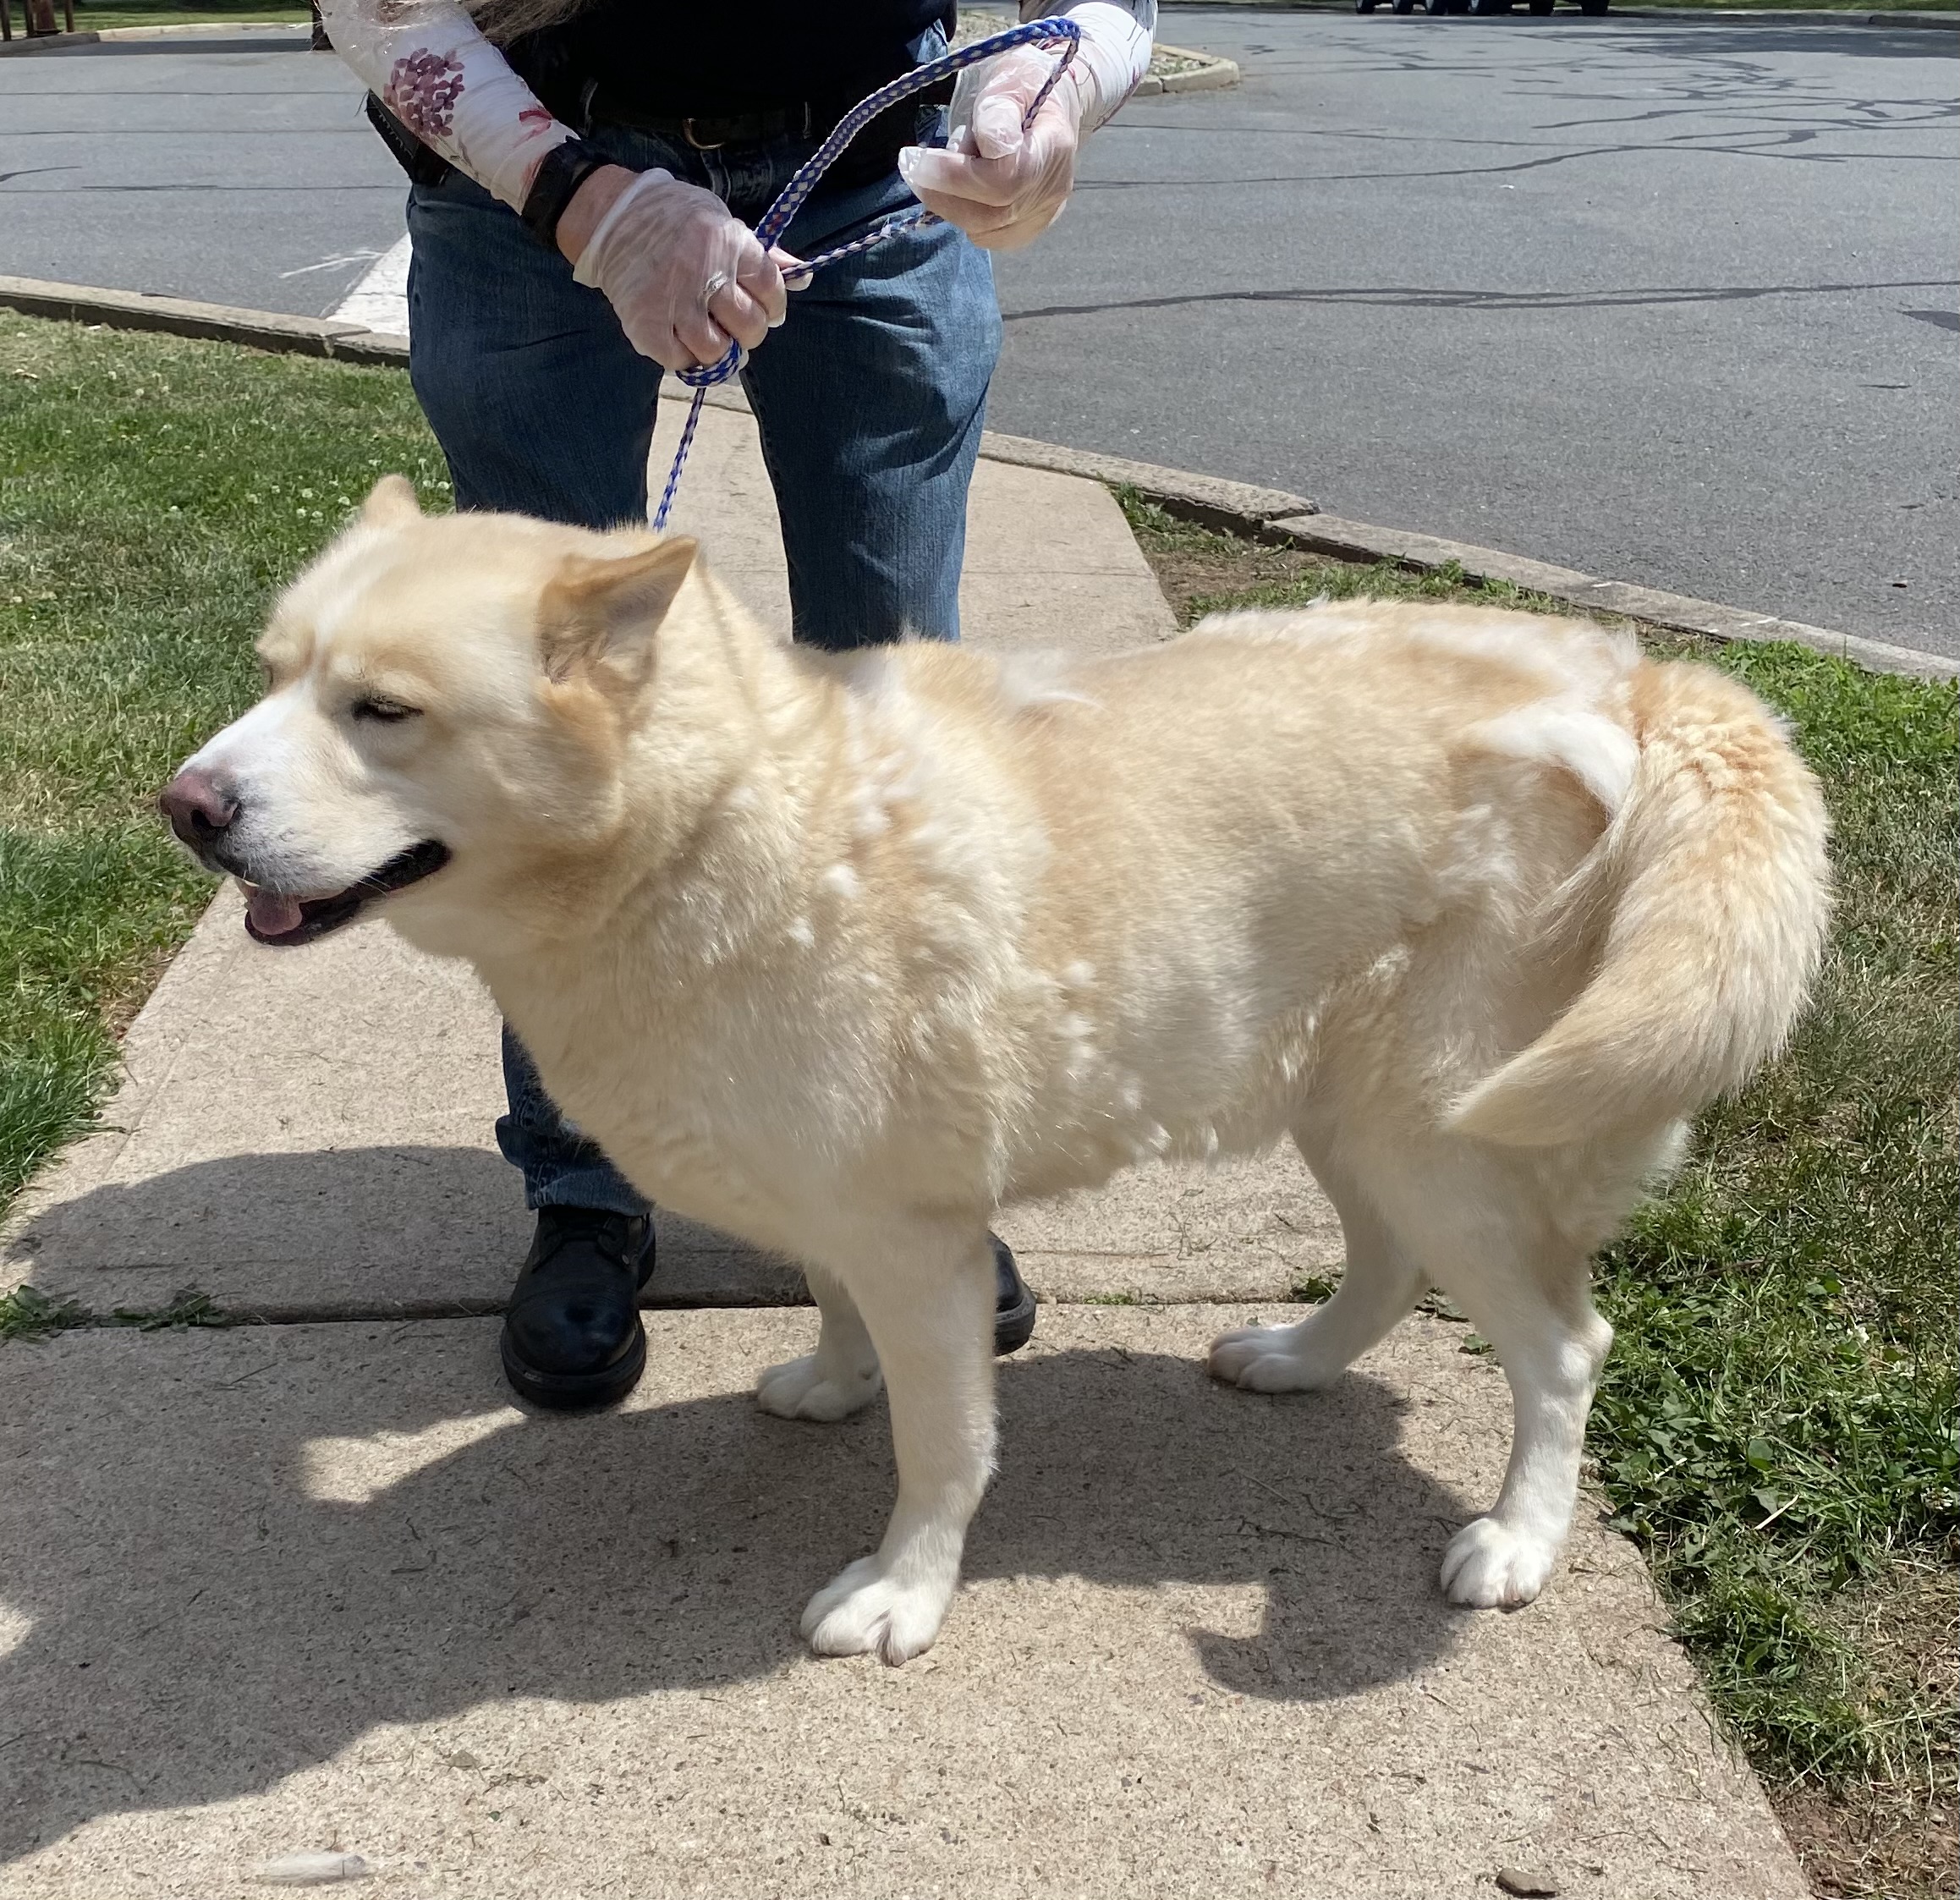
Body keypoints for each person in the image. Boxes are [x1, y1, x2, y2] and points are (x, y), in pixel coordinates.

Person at [316, 0, 1157, 1409]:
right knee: (546, 714)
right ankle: (590, 1184)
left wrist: (1051, 85)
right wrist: (581, 198)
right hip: (531, 150)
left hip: (869, 149)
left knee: (892, 701)